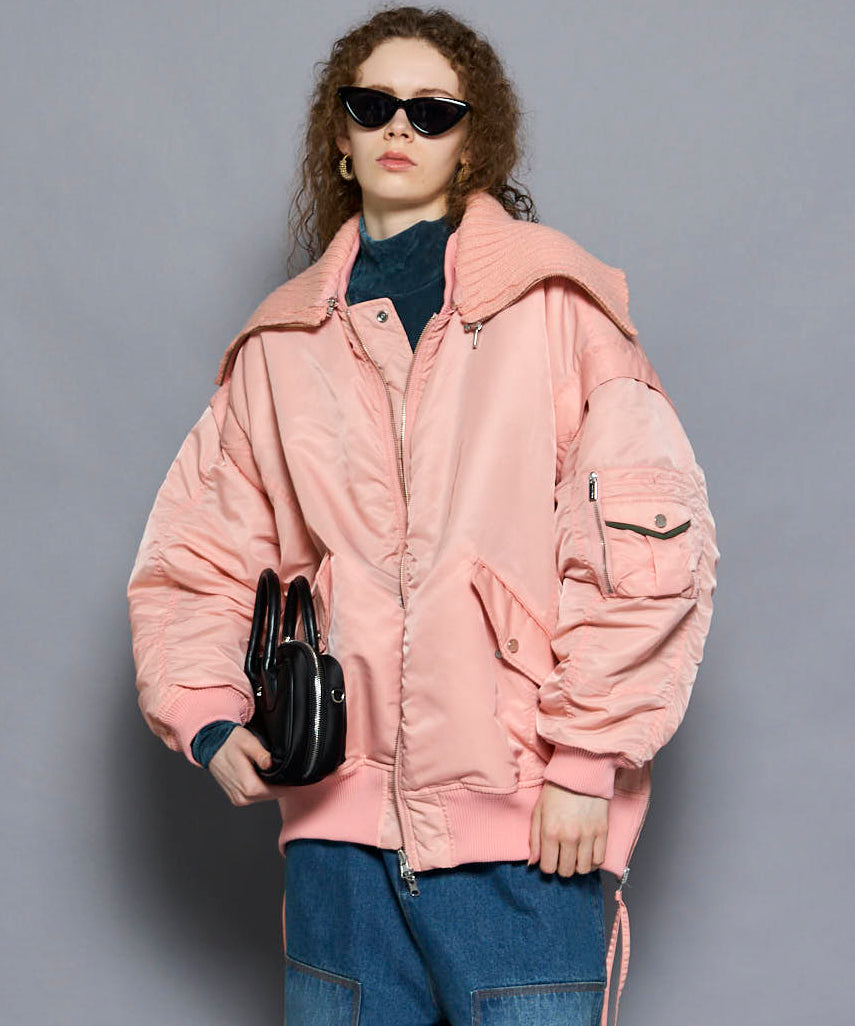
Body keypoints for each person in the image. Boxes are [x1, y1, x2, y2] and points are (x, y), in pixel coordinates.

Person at [126, 6, 718, 1025]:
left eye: (432, 110)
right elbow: (198, 553)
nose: (399, 126)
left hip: (530, 832)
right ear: (341, 139)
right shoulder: (280, 347)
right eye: (372, 105)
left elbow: (649, 540)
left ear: (470, 144)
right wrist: (205, 714)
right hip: (338, 852)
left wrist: (586, 760)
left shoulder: (558, 308)